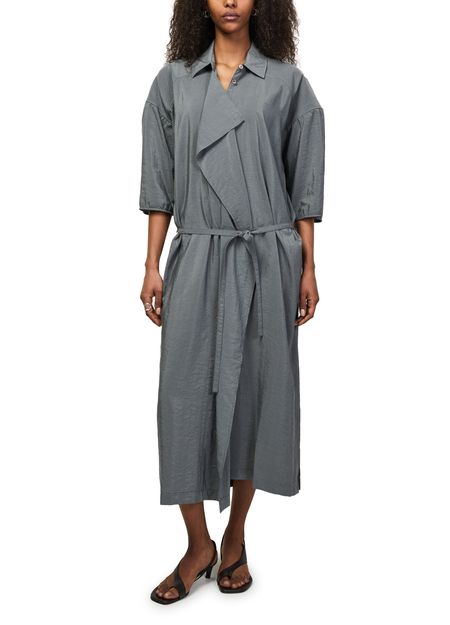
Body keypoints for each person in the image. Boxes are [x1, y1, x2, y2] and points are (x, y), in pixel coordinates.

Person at [139, 0, 325, 604]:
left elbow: (303, 185)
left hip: (266, 257)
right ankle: (199, 545)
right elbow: (159, 183)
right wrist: (151, 264)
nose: (229, 1)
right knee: (182, 398)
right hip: (197, 253)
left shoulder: (289, 84)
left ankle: (236, 536)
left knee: (255, 398)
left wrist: (309, 266)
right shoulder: (172, 82)